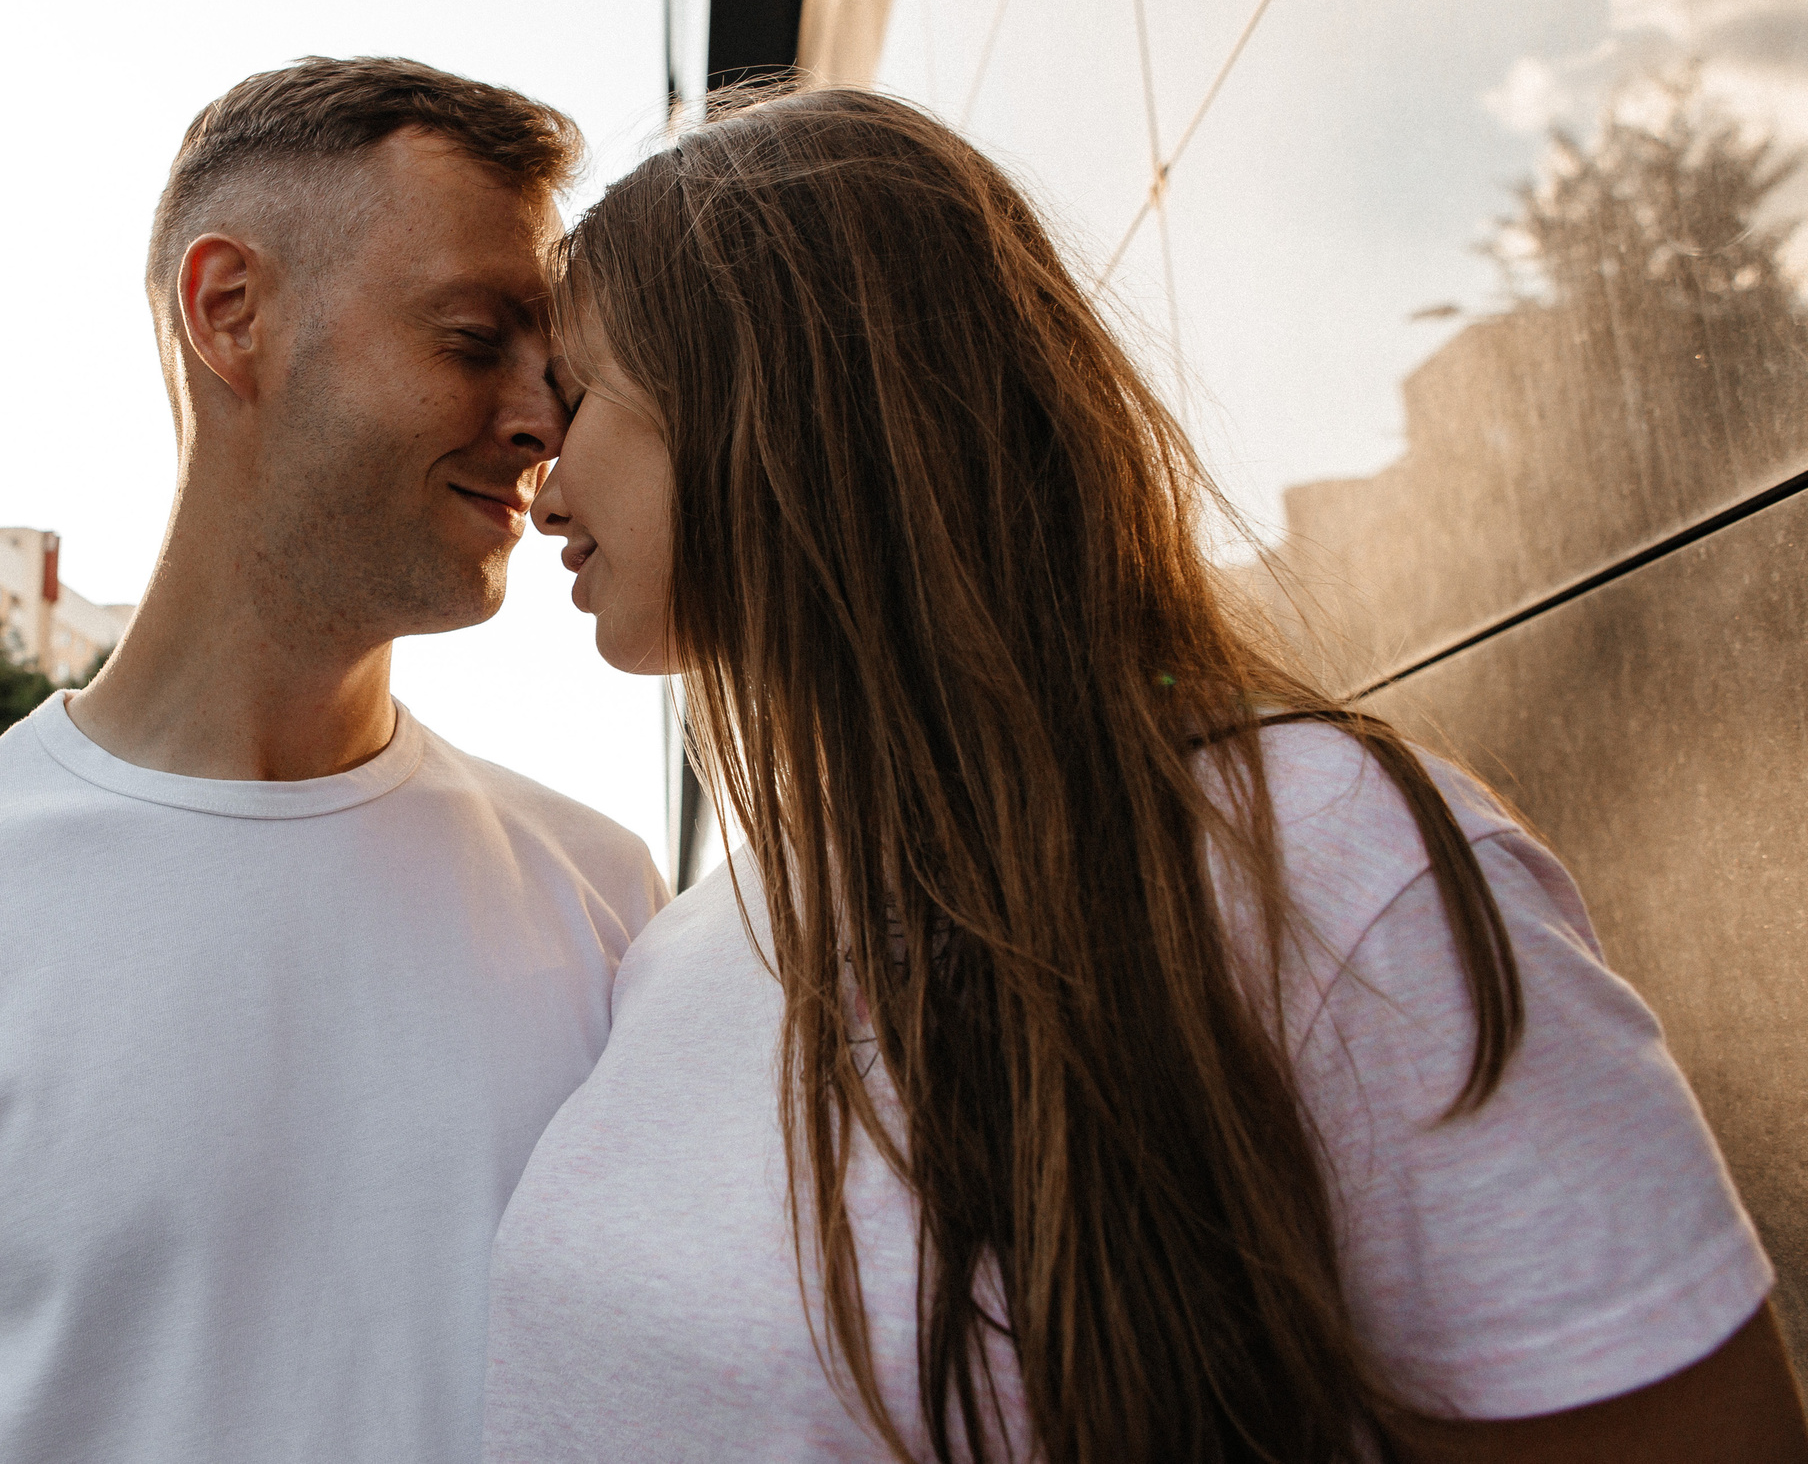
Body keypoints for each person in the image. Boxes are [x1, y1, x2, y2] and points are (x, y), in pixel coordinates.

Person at [494, 87, 1808, 1463]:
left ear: (785, 397)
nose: (541, 480)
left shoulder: (1329, 869)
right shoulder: (696, 936)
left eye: (573, 398)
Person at [0, 57, 665, 1464]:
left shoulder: (608, 895)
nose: (542, 421)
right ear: (233, 310)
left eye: (558, 370)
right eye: (475, 339)